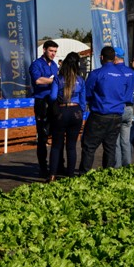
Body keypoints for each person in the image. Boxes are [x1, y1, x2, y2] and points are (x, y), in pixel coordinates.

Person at [79, 46, 133, 174]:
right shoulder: (123, 74)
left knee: (89, 146)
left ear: (101, 58)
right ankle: (107, 175)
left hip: (100, 114)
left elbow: (87, 93)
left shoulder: (97, 73)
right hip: (117, 115)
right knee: (110, 147)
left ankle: (84, 174)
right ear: (114, 58)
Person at [48, 52, 86, 182]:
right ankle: (70, 176)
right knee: (71, 146)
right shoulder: (80, 80)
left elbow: (52, 97)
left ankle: (52, 175)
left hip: (62, 111)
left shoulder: (58, 79)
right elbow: (83, 101)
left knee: (56, 145)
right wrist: (80, 113)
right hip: (76, 112)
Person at [28, 40, 59, 177]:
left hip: (54, 101)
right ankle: (43, 167)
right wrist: (55, 81)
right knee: (42, 135)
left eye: (55, 51)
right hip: (42, 102)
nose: (53, 54)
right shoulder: (36, 64)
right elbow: (38, 80)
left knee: (57, 133)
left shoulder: (54, 65)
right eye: (51, 51)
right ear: (44, 50)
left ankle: (57, 165)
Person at [114, 47, 134, 168]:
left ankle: (117, 167)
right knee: (126, 140)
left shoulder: (115, 72)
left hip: (117, 108)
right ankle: (127, 166)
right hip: (129, 108)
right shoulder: (131, 72)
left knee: (116, 142)